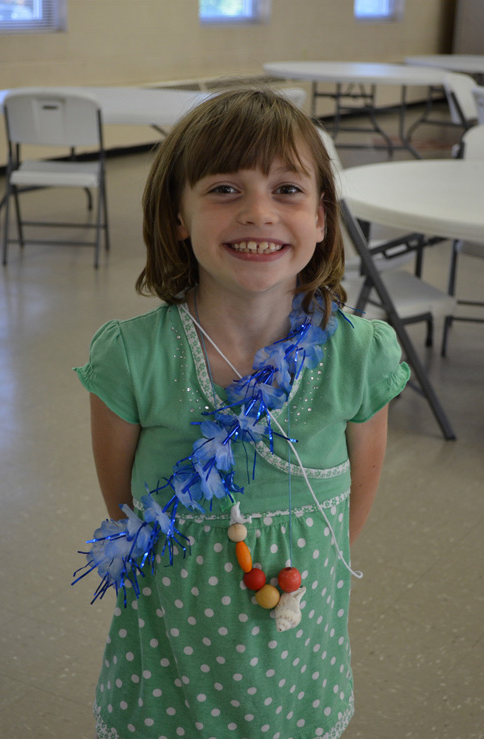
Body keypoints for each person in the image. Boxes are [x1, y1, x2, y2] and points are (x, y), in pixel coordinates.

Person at [75, 86, 410, 739]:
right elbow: (124, 505)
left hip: (295, 650)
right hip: (173, 654)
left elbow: (348, 513)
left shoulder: (359, 355)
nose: (258, 211)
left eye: (287, 189)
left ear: (321, 217)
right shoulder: (131, 358)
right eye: (224, 189)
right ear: (177, 216)